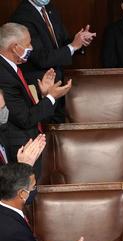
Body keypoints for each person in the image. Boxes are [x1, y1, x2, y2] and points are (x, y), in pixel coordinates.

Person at [0, 23, 71, 174]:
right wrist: (52, 97)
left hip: (27, 142)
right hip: (19, 149)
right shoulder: (3, 76)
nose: (31, 47)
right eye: (28, 44)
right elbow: (24, 118)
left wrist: (43, 94)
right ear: (15, 47)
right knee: (26, 194)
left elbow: (20, 106)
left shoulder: (9, 67)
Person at [11, 0, 96, 123]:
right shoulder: (22, 15)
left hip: (57, 83)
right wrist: (72, 47)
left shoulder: (49, 8)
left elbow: (61, 43)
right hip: (40, 86)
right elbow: (40, 58)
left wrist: (79, 42)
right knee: (46, 132)